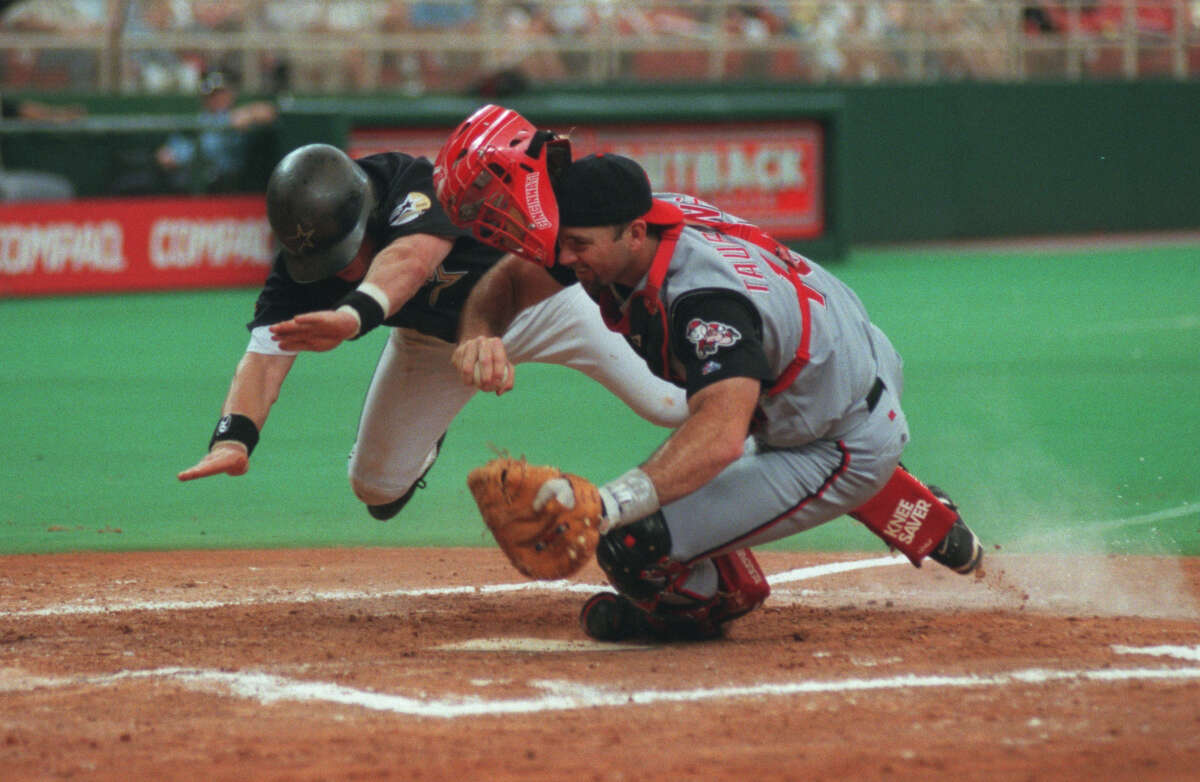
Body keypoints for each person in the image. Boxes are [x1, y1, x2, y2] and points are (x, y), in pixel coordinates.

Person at [435, 110, 983, 641]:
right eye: (565, 245)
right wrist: (480, 330)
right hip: (840, 362)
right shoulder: (638, 224)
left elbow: (721, 434)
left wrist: (607, 505)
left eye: (579, 247)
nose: (567, 258)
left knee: (630, 545)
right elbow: (511, 279)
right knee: (747, 421)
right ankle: (920, 513)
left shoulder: (704, 305)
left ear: (633, 234)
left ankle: (708, 599)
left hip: (831, 437)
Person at [177, 139, 687, 523]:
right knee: (376, 488)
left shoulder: (411, 182)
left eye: (348, 252)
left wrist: (352, 318)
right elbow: (264, 358)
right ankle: (429, 436)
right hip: (436, 344)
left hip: (542, 302)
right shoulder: (303, 265)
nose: (340, 270)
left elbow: (410, 262)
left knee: (673, 404)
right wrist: (235, 437)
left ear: (367, 213)